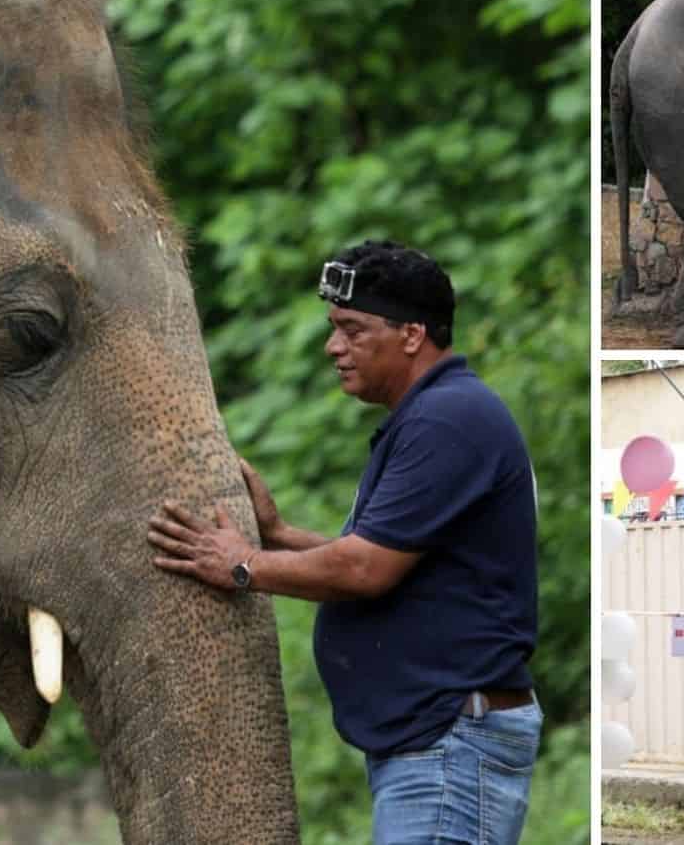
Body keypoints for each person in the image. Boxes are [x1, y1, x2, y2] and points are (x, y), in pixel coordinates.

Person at [146, 240, 541, 844]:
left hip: (450, 743)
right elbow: (396, 559)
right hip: (440, 739)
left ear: (411, 335)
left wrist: (245, 566)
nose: (334, 347)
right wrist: (277, 537)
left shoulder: (447, 420)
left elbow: (363, 570)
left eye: (352, 330)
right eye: (334, 329)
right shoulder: (436, 415)